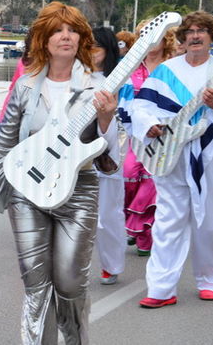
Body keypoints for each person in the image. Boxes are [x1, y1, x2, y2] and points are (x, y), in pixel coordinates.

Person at [0, 2, 119, 343]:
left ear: (82, 38)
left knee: (69, 281)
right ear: (43, 39)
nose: (65, 36)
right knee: (36, 283)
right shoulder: (25, 86)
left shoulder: (99, 86)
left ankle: (73, 340)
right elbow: (4, 144)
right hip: (28, 192)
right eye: (56, 30)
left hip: (78, 190)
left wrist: (107, 118)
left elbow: (108, 150)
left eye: (72, 30)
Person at [130, 11, 213, 308]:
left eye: (202, 30)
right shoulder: (165, 71)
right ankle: (161, 289)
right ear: (182, 37)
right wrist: (148, 125)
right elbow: (140, 108)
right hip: (171, 157)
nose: (195, 35)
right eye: (189, 31)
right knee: (167, 222)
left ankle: (212, 280)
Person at [117, 20, 177, 261]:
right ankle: (134, 222)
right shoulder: (128, 66)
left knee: (152, 185)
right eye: (143, 35)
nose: (149, 39)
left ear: (166, 39)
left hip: (166, 137)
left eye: (155, 34)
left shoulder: (173, 67)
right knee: (129, 175)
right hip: (134, 135)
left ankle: (144, 236)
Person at [90, 26, 128, 285]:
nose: (90, 52)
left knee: (107, 217)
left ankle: (111, 264)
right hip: (71, 156)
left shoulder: (120, 81)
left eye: (96, 46)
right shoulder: (71, 77)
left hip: (108, 155)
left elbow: (127, 117)